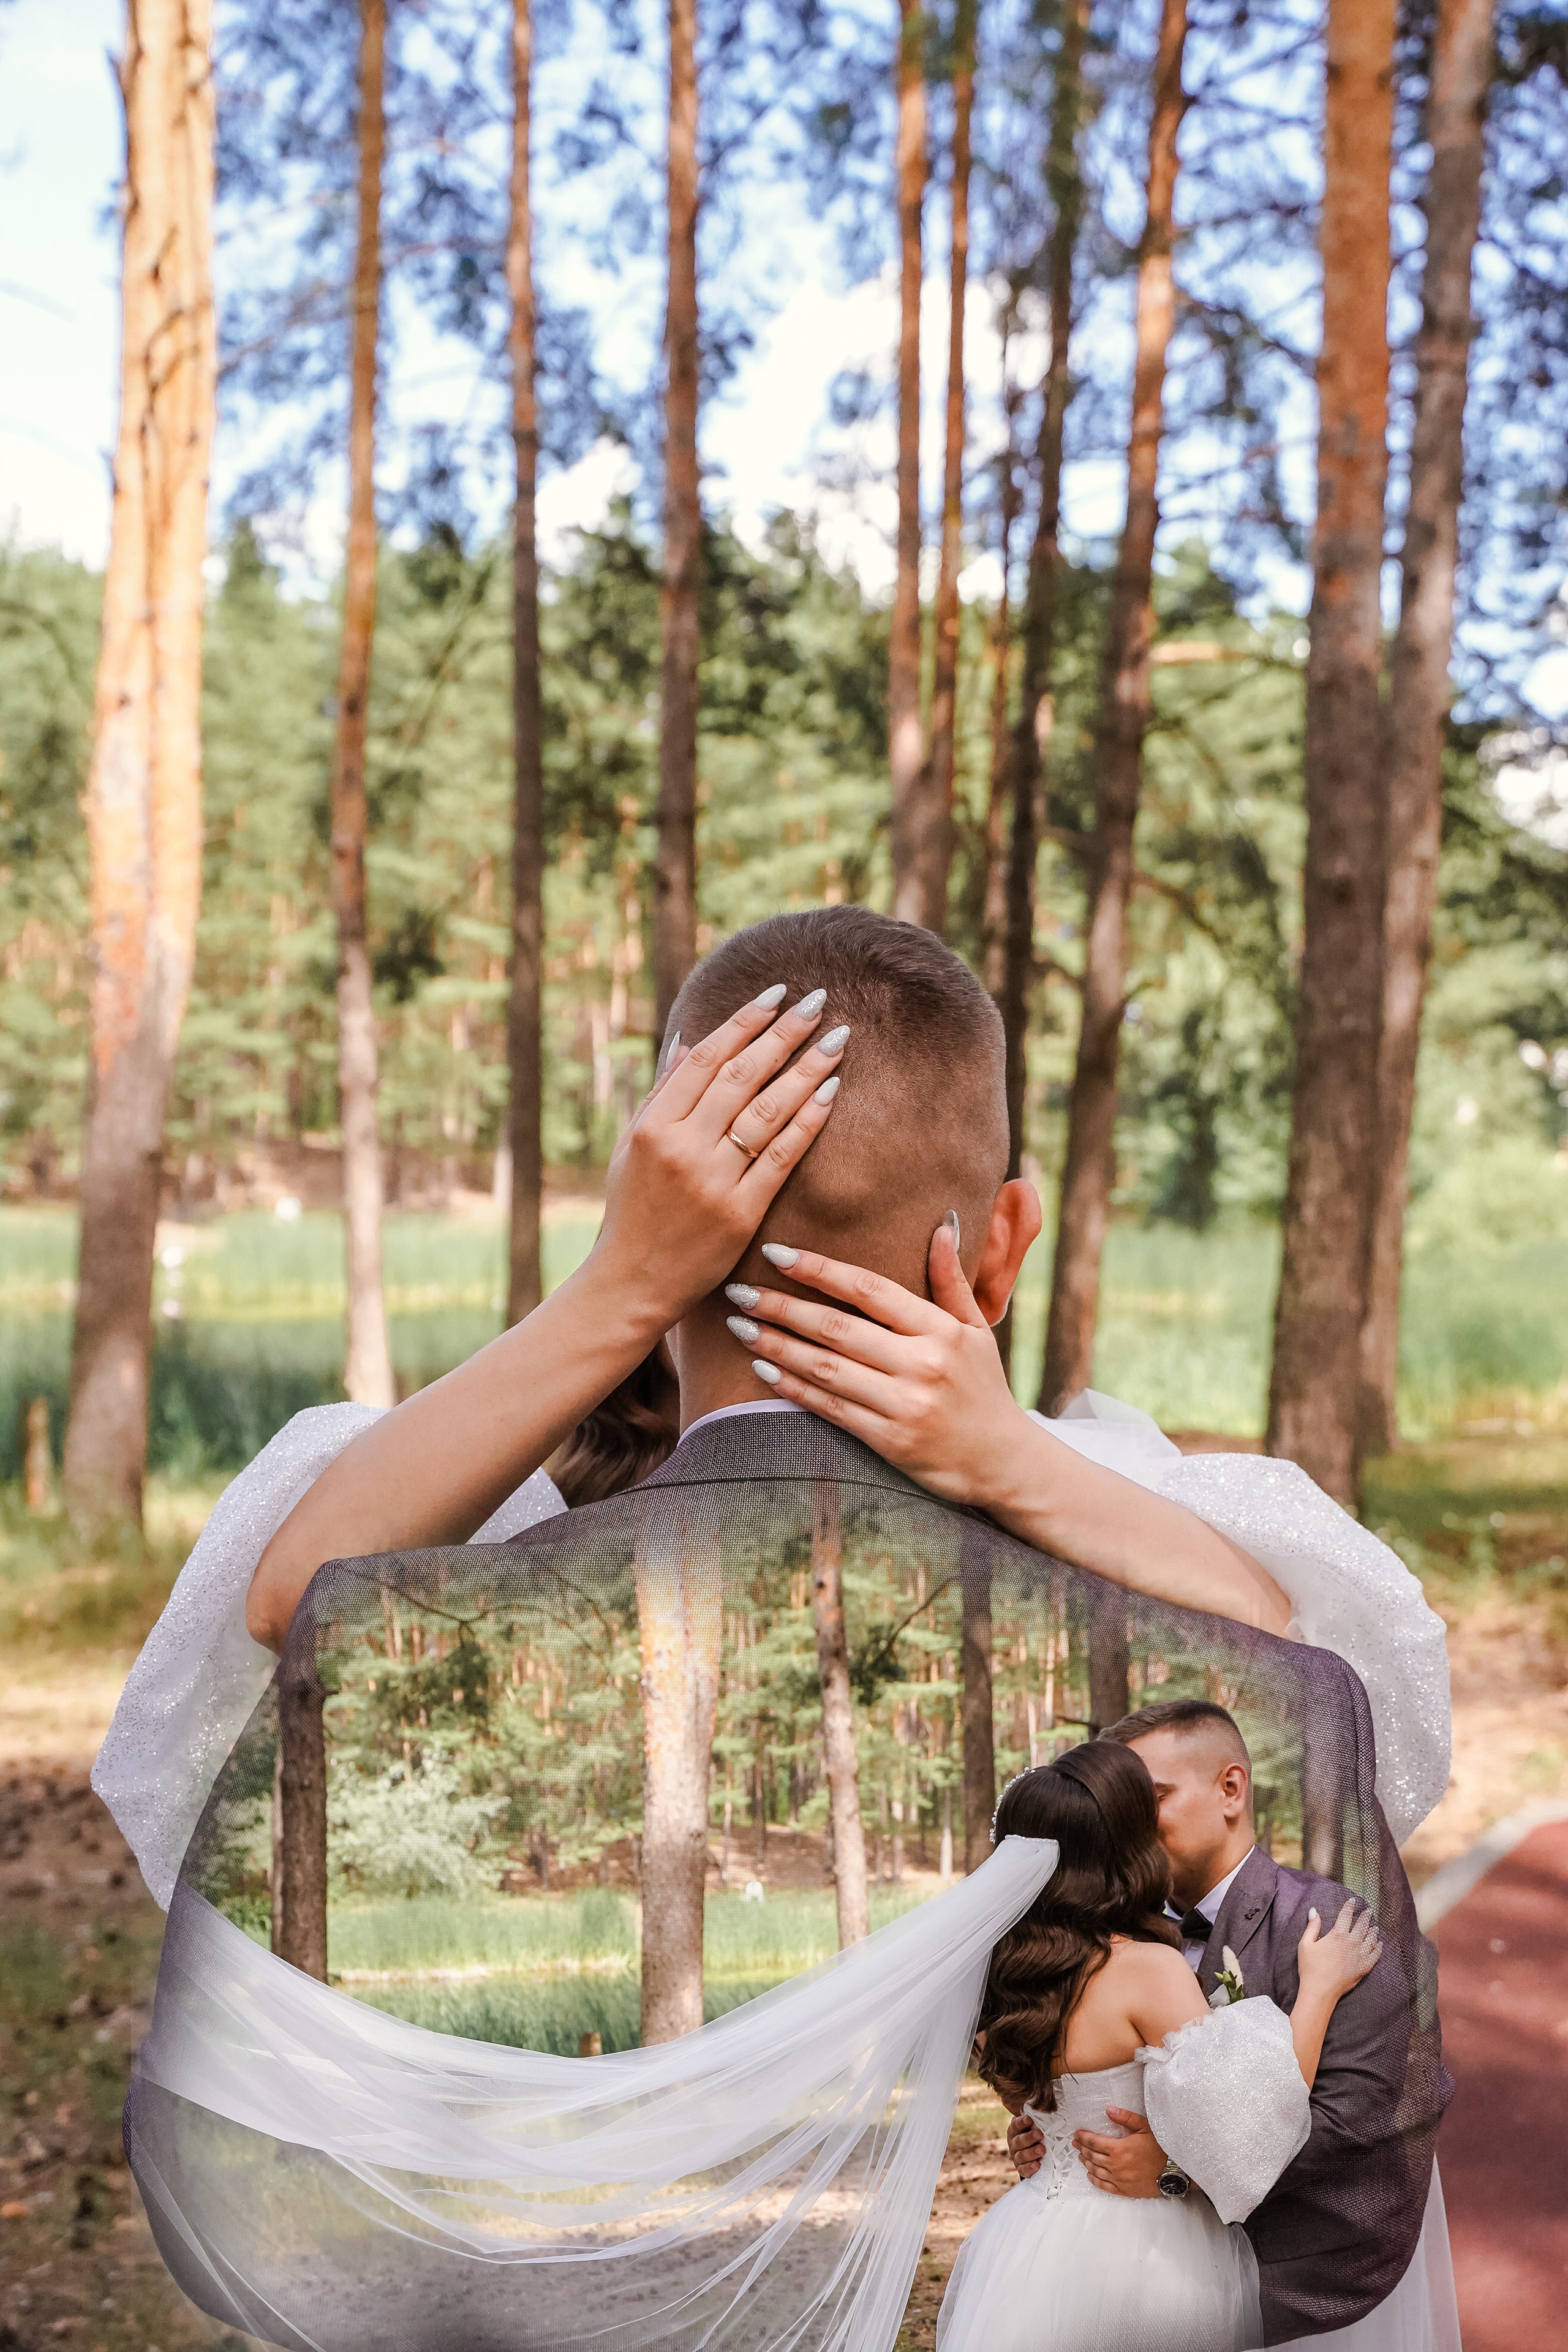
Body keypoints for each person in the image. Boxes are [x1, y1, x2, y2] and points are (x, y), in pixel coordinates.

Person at [93, 905, 1453, 2351]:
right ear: (1004, 1241)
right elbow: (1298, 1663)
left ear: (656, 1208)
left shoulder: (463, 1549)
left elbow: (290, 1593)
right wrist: (1010, 1459)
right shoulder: (1156, 1540)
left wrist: (620, 1288)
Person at [935, 1741, 1383, 2352]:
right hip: (1141, 2256)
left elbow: (1036, 2112)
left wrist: (1038, 2134)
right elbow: (1254, 2115)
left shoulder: (994, 1980)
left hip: (1028, 2242)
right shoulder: (1144, 1968)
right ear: (1126, 1846)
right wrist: (1320, 1991)